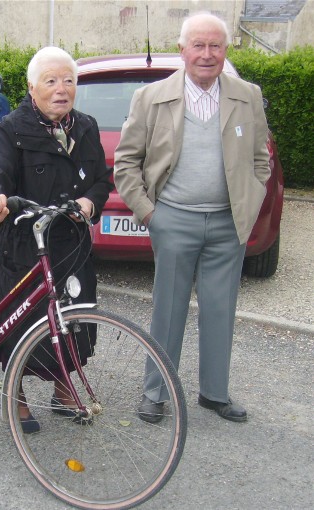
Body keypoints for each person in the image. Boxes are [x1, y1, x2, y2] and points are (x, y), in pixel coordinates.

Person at [114, 12, 270, 423]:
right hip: (174, 220)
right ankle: (155, 392)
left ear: (225, 51)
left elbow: (261, 160)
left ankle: (214, 393)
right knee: (168, 310)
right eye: (198, 45)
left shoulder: (246, 95)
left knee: (221, 309)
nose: (207, 54)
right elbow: (126, 164)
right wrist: (150, 214)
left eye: (215, 46)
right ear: (182, 50)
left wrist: (249, 206)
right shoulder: (151, 98)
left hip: (227, 223)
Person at [0, 46, 113, 433]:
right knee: (20, 324)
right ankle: (14, 397)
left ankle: (63, 390)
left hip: (71, 246)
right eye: (51, 81)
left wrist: (90, 201)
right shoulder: (11, 128)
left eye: (68, 80)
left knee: (73, 321)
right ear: (32, 87)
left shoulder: (85, 126)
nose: (61, 89)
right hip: (25, 247)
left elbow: (101, 179)